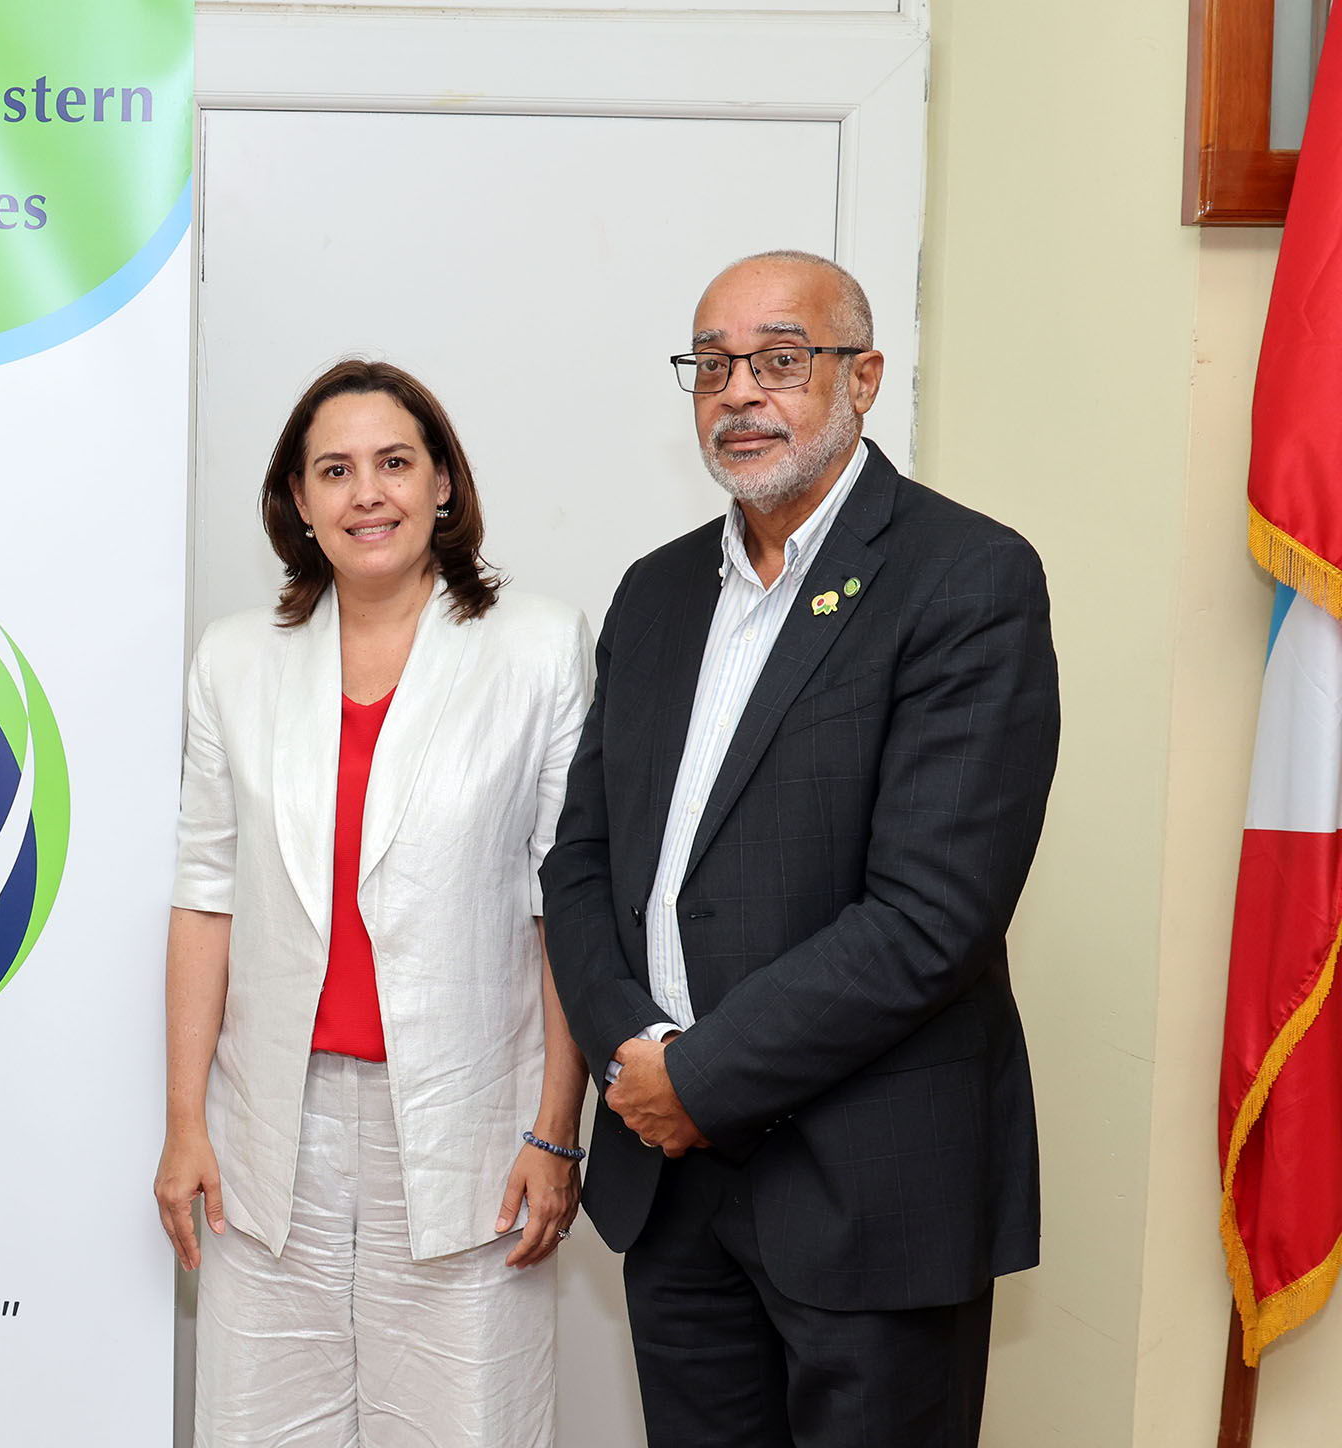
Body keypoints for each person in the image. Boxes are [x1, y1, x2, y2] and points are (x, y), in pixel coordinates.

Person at [541, 251, 1058, 1448]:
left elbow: (931, 914)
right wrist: (634, 1053)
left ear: (863, 377)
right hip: (673, 1184)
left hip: (869, 1183)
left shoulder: (967, 579)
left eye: (780, 359)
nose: (740, 393)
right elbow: (582, 862)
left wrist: (700, 1078)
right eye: (712, 364)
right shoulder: (656, 593)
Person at [157, 359, 593, 1446]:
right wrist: (182, 1122)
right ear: (297, 502)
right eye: (335, 470)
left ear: (443, 481)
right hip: (271, 1133)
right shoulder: (235, 661)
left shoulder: (537, 646)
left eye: (395, 462)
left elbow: (567, 907)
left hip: (469, 1128)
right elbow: (205, 896)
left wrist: (557, 1127)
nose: (369, 493)